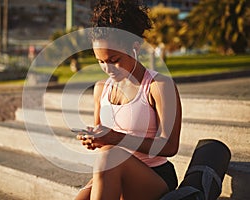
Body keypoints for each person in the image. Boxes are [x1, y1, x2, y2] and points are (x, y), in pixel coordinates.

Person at [75, 0, 182, 199]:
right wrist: (94, 139)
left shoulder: (159, 86)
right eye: (100, 61)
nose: (108, 69)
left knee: (110, 155)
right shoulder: (101, 89)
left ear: (135, 47)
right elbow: (103, 142)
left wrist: (115, 138)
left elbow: (169, 146)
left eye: (114, 60)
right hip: (111, 169)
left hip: (154, 176)